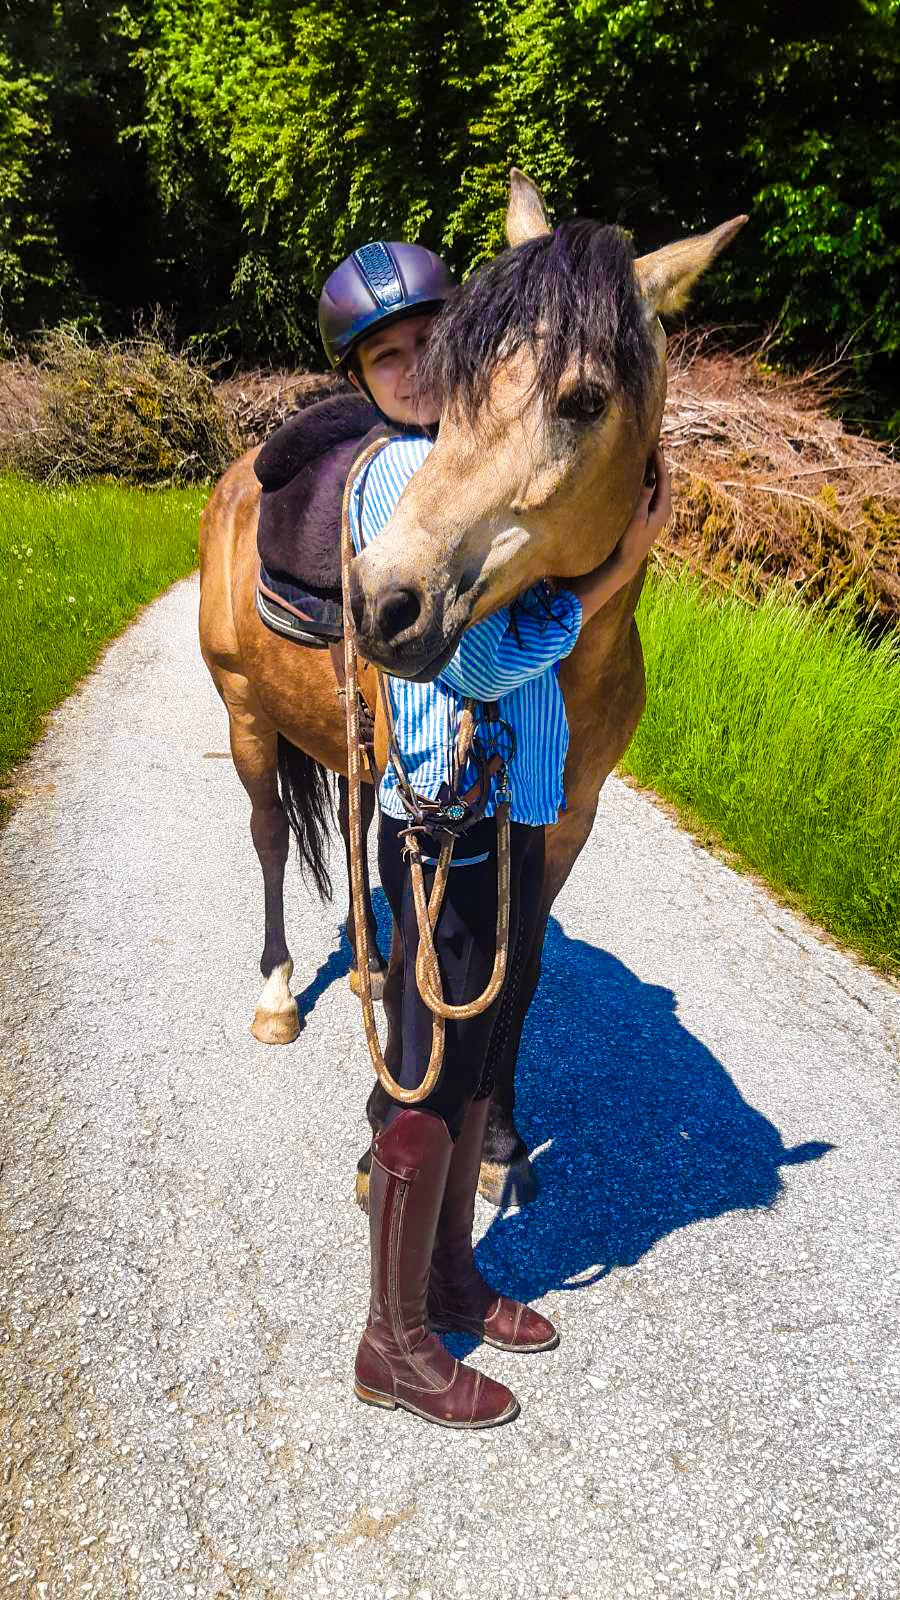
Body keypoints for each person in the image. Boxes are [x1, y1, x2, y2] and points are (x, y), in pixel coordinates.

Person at [319, 240, 672, 1429]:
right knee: (425, 1070)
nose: (416, 370)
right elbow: (469, 654)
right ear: (363, 378)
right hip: (438, 824)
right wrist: (608, 572)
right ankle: (392, 1338)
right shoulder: (395, 485)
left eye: (434, 345)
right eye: (389, 355)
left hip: (512, 811)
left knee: (478, 1063)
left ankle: (456, 1275)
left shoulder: (478, 445)